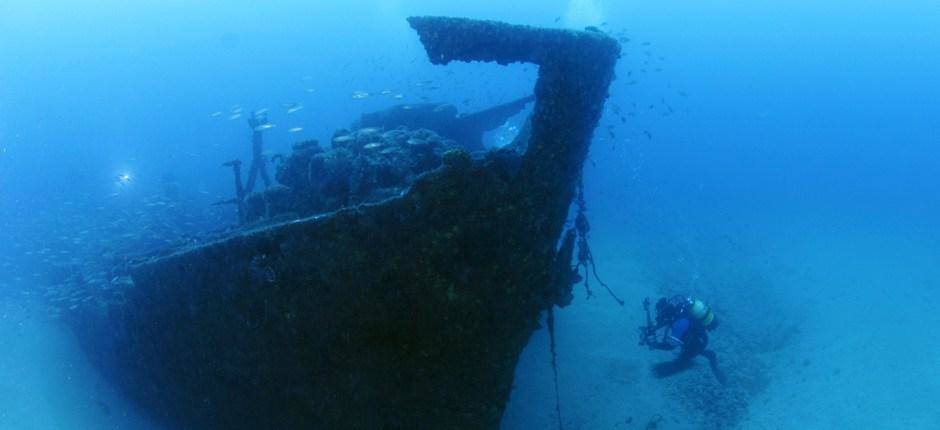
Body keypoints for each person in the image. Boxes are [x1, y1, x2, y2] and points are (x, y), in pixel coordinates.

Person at [639, 295, 726, 384]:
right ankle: (706, 354)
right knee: (689, 346)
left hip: (697, 344)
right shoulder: (677, 313)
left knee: (678, 364)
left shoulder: (679, 323)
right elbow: (662, 323)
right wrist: (651, 330)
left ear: (666, 312)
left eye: (661, 314)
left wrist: (655, 344)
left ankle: (692, 364)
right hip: (698, 339)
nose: (659, 316)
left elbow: (670, 347)